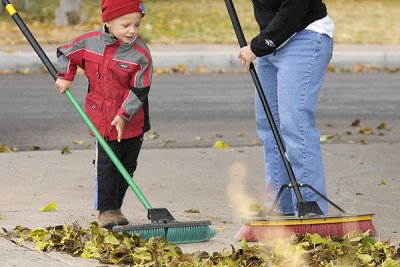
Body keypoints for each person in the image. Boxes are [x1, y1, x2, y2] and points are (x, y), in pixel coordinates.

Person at [55, 0, 152, 229]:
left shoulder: (140, 53)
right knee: (108, 165)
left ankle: (116, 206)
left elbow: (141, 89)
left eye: (137, 25)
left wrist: (123, 115)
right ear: (107, 22)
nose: (132, 31)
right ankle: (106, 211)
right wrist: (66, 75)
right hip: (102, 120)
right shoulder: (89, 43)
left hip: (132, 120)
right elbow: (65, 53)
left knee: (127, 165)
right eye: (126, 25)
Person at [237, 0, 334, 215]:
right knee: (270, 127)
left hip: (304, 37)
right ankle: (281, 207)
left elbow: (293, 10)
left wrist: (257, 46)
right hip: (272, 41)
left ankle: (312, 210)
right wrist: (263, 44)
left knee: (295, 125)